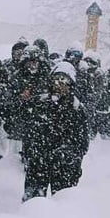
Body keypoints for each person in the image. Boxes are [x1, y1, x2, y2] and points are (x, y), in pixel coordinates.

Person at [21, 62, 90, 200]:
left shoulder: (77, 109)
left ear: (71, 84)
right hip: (38, 164)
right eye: (56, 79)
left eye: (64, 81)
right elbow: (28, 131)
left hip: (65, 168)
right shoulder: (39, 103)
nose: (59, 84)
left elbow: (82, 143)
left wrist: (67, 155)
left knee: (64, 205)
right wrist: (31, 152)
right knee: (33, 204)